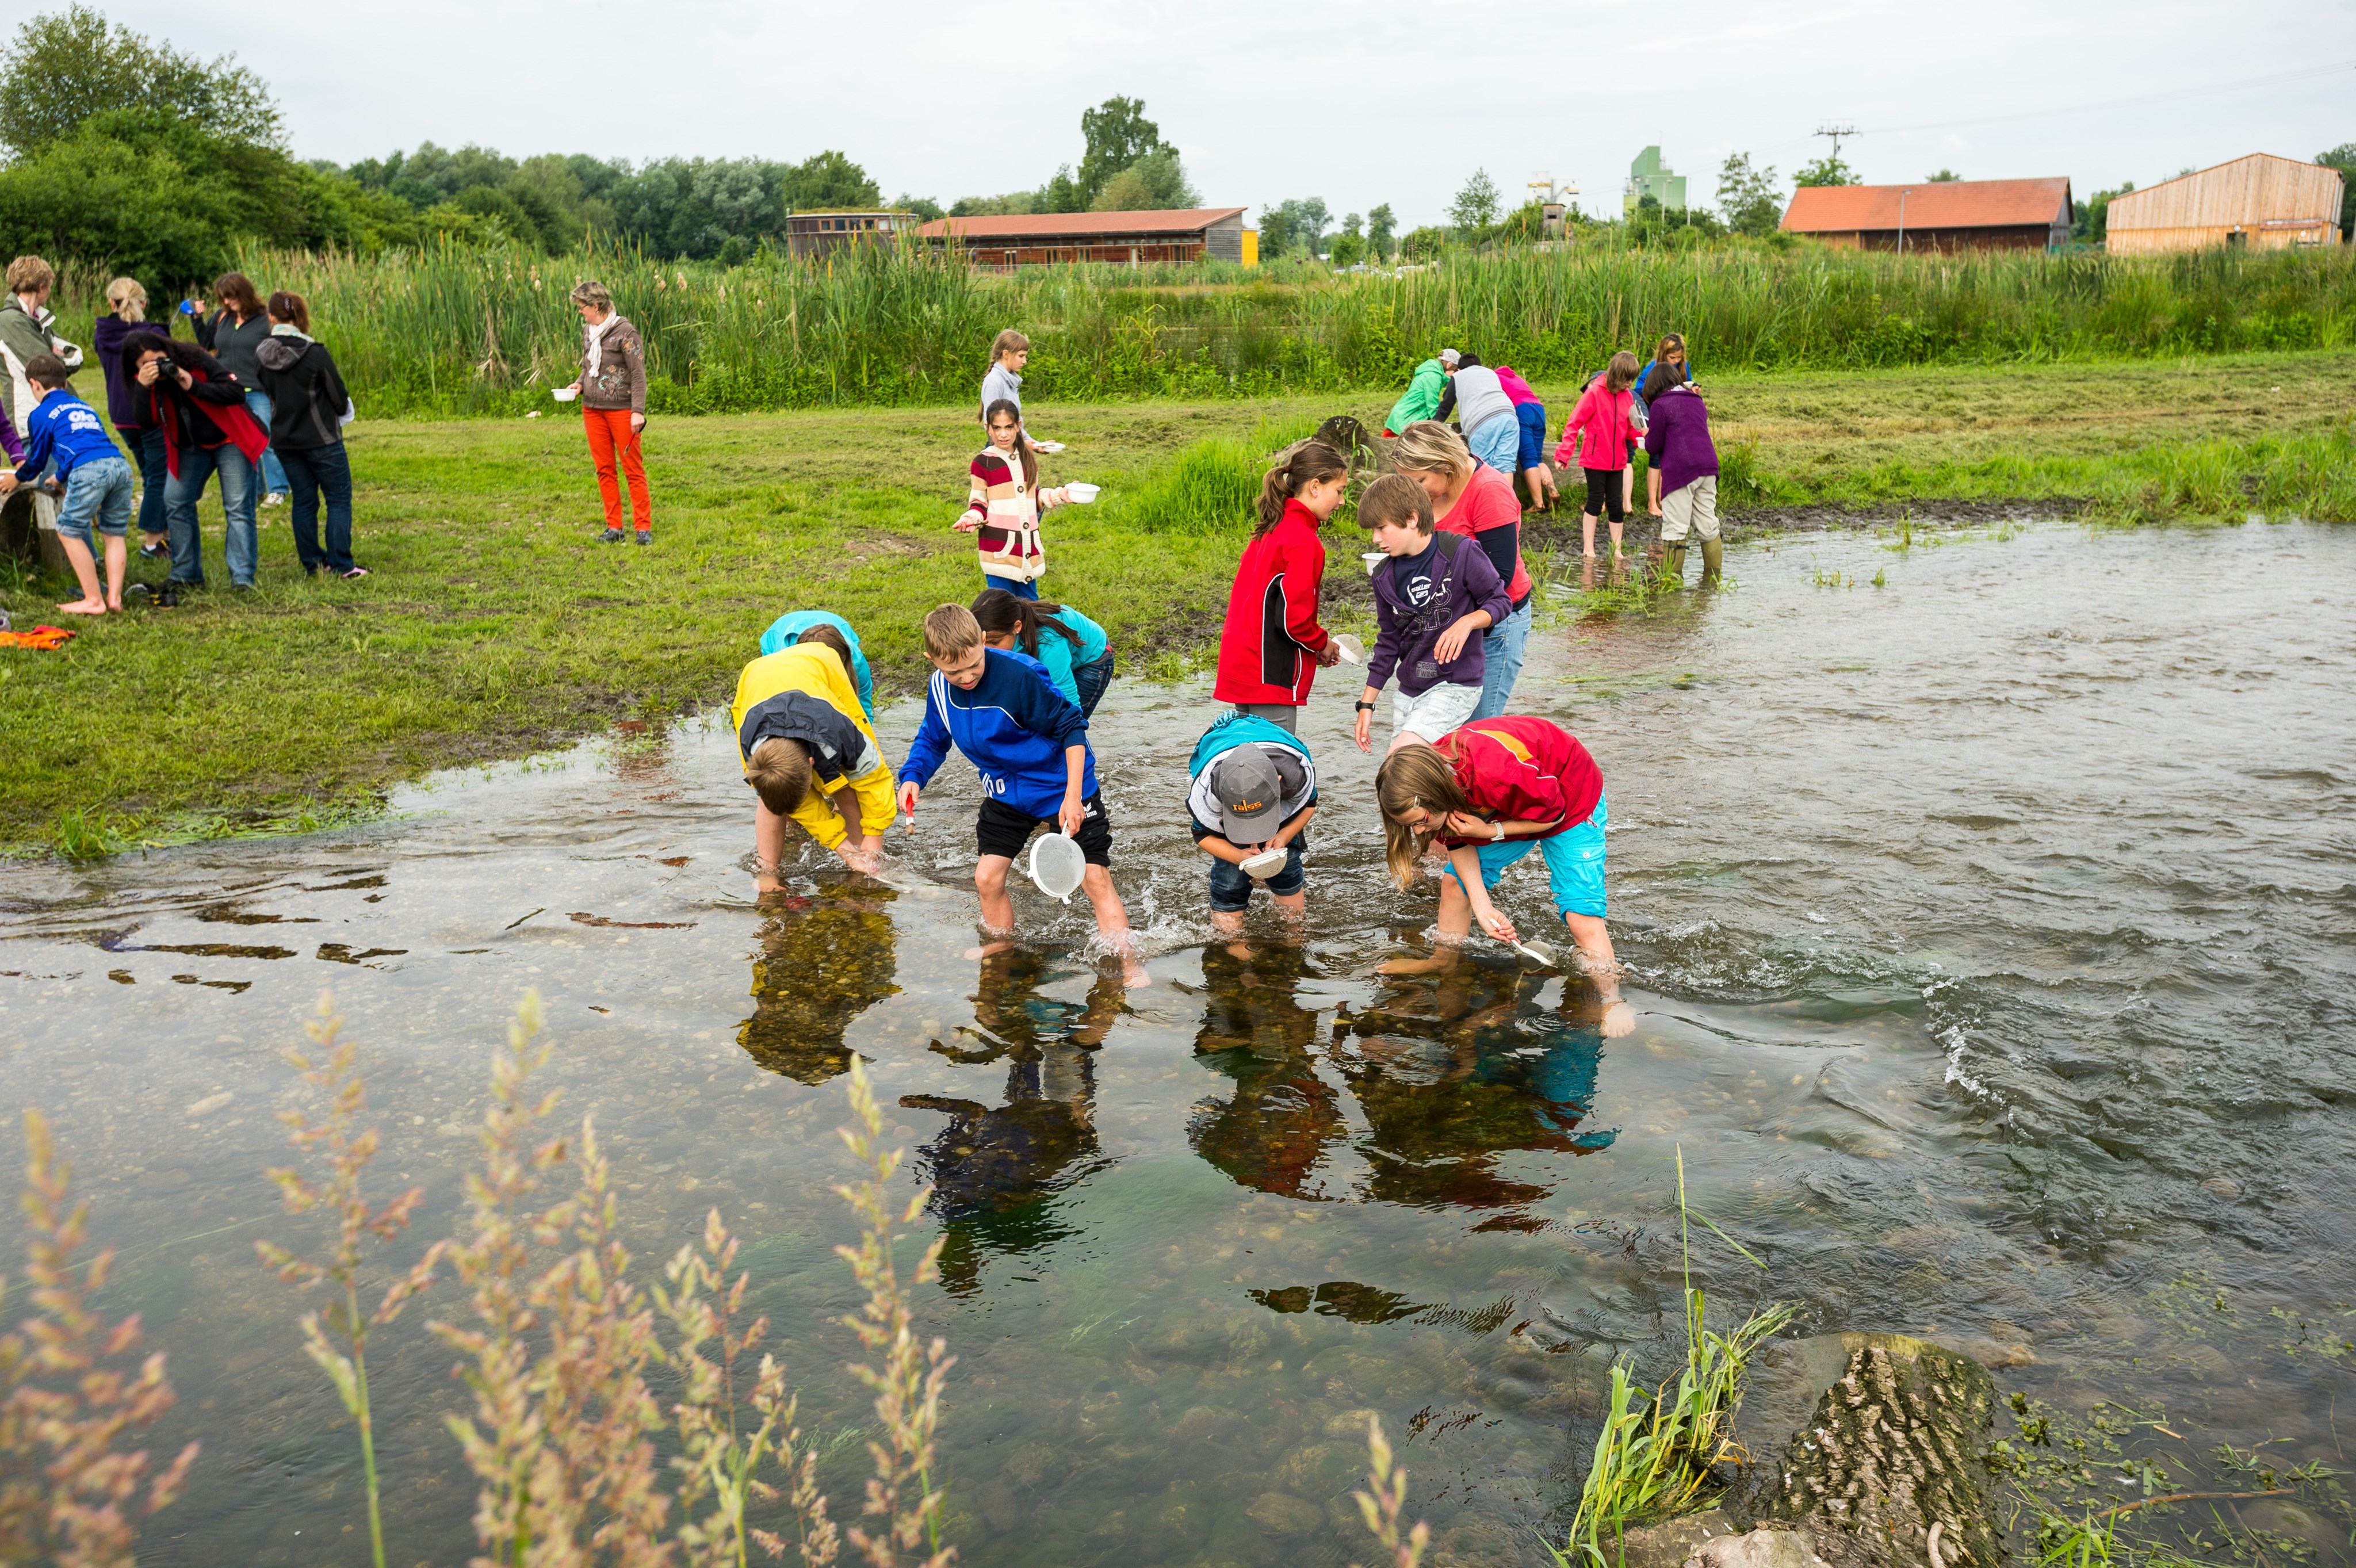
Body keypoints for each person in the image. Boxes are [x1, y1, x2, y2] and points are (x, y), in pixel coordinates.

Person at [895, 603, 1144, 983]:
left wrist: (1073, 796)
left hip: (1061, 788)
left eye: (973, 665)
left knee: (1094, 878)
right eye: (953, 671)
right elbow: (933, 737)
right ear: (932, 659)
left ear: (982, 641)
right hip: (1006, 794)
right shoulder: (938, 689)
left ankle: (1129, 965)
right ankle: (1002, 946)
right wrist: (913, 778)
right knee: (987, 878)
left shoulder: (1020, 677)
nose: (965, 678)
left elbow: (1072, 729)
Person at [1374, 720, 1634, 1038]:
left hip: (1568, 800)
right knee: (1456, 883)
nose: (1418, 832)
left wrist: (1490, 831)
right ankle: (1444, 961)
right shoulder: (1428, 780)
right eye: (1409, 826)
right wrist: (1484, 910)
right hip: (1505, 804)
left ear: (1436, 796)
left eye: (1420, 822)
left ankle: (1612, 1000)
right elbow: (1457, 840)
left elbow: (1554, 814)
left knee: (1581, 916)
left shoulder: (1497, 773)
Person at [1353, 471, 1509, 755]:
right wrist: (1367, 704)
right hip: (1409, 690)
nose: (1375, 539)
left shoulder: (1461, 552)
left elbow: (1499, 601)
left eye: (1381, 528)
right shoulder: (1382, 575)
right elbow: (1388, 641)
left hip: (1455, 685)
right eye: (1372, 531)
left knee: (1401, 759)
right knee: (1417, 779)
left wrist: (1468, 622)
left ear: (1412, 519)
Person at [1390, 422, 1533, 722]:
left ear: (1446, 465)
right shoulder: (1430, 492)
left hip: (1493, 626)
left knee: (1474, 730)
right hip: (1445, 618)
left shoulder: (1489, 492)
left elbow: (1500, 577)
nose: (1413, 491)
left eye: (1420, 480)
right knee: (1438, 727)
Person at [730, 636, 894, 894]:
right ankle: (768, 872)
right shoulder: (753, 754)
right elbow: (804, 806)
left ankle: (865, 859)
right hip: (754, 678)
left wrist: (873, 838)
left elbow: (874, 781)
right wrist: (842, 847)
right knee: (773, 795)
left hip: (820, 665)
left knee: (848, 786)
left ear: (811, 763)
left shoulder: (841, 734)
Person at [1211, 439, 1348, 732]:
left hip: (1244, 666)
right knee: (1279, 766)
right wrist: (1322, 643)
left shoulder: (1270, 528)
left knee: (1250, 760)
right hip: (1269, 674)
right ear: (1315, 486)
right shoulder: (1303, 540)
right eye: (1339, 491)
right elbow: (1294, 621)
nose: (1342, 501)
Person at [120, 332, 267, 590]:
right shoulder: (144, 383)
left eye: (159, 359)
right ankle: (186, 575)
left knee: (237, 507)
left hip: (230, 438)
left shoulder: (195, 358)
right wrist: (143, 387)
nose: (157, 366)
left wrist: (193, 384)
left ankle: (243, 578)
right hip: (190, 446)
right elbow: (146, 421)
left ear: (167, 351)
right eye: (146, 364)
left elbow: (236, 392)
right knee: (175, 501)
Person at [2, 354, 132, 614]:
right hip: (119, 466)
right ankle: (115, 598)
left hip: (90, 471)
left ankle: (94, 599)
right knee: (114, 533)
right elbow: (85, 444)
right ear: (63, 384)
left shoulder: (40, 414)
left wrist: (17, 477)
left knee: (68, 531)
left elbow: (37, 461)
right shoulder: (84, 406)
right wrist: (60, 477)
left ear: (34, 384)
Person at [252, 291, 365, 580]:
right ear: (301, 316)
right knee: (338, 499)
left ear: (272, 317)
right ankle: (342, 564)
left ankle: (313, 563)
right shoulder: (315, 353)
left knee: (304, 500)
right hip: (321, 438)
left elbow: (267, 392)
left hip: (284, 439)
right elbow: (339, 396)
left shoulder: (261, 354)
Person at [1188, 710, 1318, 932]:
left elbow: (1309, 805)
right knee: (1229, 879)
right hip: (1222, 748)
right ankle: (1233, 944)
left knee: (1288, 863)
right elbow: (1201, 835)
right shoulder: (1209, 794)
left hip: (1270, 745)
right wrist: (1238, 855)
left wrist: (1285, 835)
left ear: (1279, 784)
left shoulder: (1294, 777)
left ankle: (1294, 931)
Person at [560, 281, 649, 544]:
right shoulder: (589, 332)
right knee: (604, 469)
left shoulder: (626, 333)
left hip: (622, 411)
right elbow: (589, 366)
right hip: (592, 410)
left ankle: (643, 528)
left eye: (582, 307)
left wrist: (638, 411)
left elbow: (638, 374)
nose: (580, 312)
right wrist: (578, 383)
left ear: (596, 306)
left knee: (633, 469)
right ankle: (615, 528)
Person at [1, 256, 82, 540]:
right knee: (54, 491)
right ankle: (63, 561)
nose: (50, 290)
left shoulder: (33, 318)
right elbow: (50, 366)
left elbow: (69, 355)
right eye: (49, 285)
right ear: (41, 285)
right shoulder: (10, 320)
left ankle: (78, 559)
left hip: (49, 416)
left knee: (64, 490)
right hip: (30, 419)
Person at [958, 398, 1069, 598]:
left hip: (1027, 552)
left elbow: (1033, 496)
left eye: (1009, 427)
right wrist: (970, 519)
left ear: (1018, 426)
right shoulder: (983, 463)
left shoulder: (1027, 457)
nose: (1003, 434)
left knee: (1031, 609)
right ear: (988, 428)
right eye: (997, 427)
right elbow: (978, 503)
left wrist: (1060, 495)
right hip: (998, 553)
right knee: (1003, 611)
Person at [194, 273, 285, 513]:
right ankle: (256, 490)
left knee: (267, 440)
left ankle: (279, 490)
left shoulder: (267, 320)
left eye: (231, 297)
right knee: (240, 441)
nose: (226, 302)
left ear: (243, 294)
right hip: (229, 392)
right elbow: (206, 343)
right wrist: (196, 318)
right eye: (223, 298)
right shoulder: (222, 316)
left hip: (259, 390)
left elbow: (280, 352)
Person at [93, 278, 169, 562]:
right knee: (159, 475)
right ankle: (153, 543)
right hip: (149, 411)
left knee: (152, 471)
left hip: (121, 415)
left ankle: (166, 534)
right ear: (144, 303)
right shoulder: (155, 335)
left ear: (111, 303)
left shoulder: (103, 333)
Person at [971, 588, 1115, 720]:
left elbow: (1068, 700)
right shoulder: (999, 634)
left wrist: (1072, 733)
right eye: (982, 642)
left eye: (995, 642)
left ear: (1017, 627)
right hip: (1057, 654)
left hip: (1093, 658)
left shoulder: (1049, 641)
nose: (987, 650)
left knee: (1061, 722)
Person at [1642, 365, 1722, 586]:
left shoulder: (1660, 405)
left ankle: (1671, 584)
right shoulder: (1696, 400)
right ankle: (1713, 582)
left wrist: (1647, 435)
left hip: (1681, 470)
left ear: (1654, 387)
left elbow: (1654, 446)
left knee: (1675, 528)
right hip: (1708, 467)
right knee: (1708, 523)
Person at [1558, 353, 1642, 559]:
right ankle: (1589, 549)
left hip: (1618, 460)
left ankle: (1617, 551)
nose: (1630, 384)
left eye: (1632, 380)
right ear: (1616, 375)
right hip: (1595, 459)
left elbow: (1630, 427)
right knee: (1595, 501)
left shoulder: (1628, 396)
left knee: (1616, 503)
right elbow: (1574, 423)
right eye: (1627, 379)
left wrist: (1639, 439)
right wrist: (1563, 454)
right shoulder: (1594, 393)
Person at [758, 610, 875, 718]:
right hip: (777, 632)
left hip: (838, 623)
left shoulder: (857, 664)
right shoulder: (783, 662)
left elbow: (864, 713)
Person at [1432, 351, 1519, 477]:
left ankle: (1484, 497)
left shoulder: (1458, 376)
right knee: (1505, 465)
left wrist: (1432, 427)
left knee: (1481, 466)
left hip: (1483, 421)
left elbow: (1445, 407)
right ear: (1480, 365)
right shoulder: (1491, 373)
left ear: (1459, 369)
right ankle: (1506, 497)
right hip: (1509, 416)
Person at [1494, 364, 1558, 512]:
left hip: (1521, 409)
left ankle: (1538, 504)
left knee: (1528, 458)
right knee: (1538, 458)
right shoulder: (1516, 378)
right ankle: (1552, 491)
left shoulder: (1494, 378)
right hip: (1538, 409)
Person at [978, 328, 1045, 450]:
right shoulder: (994, 381)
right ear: (1006, 354)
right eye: (1021, 356)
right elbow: (993, 427)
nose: (1025, 361)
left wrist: (1035, 444)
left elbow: (1014, 422)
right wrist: (1023, 445)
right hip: (1000, 449)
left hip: (1011, 447)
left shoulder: (1010, 380)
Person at [1383, 348, 1456, 437]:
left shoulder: (1431, 372)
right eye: (1455, 372)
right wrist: (1443, 428)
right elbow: (1432, 406)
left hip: (1403, 413)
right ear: (1449, 365)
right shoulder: (1433, 377)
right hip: (1406, 418)